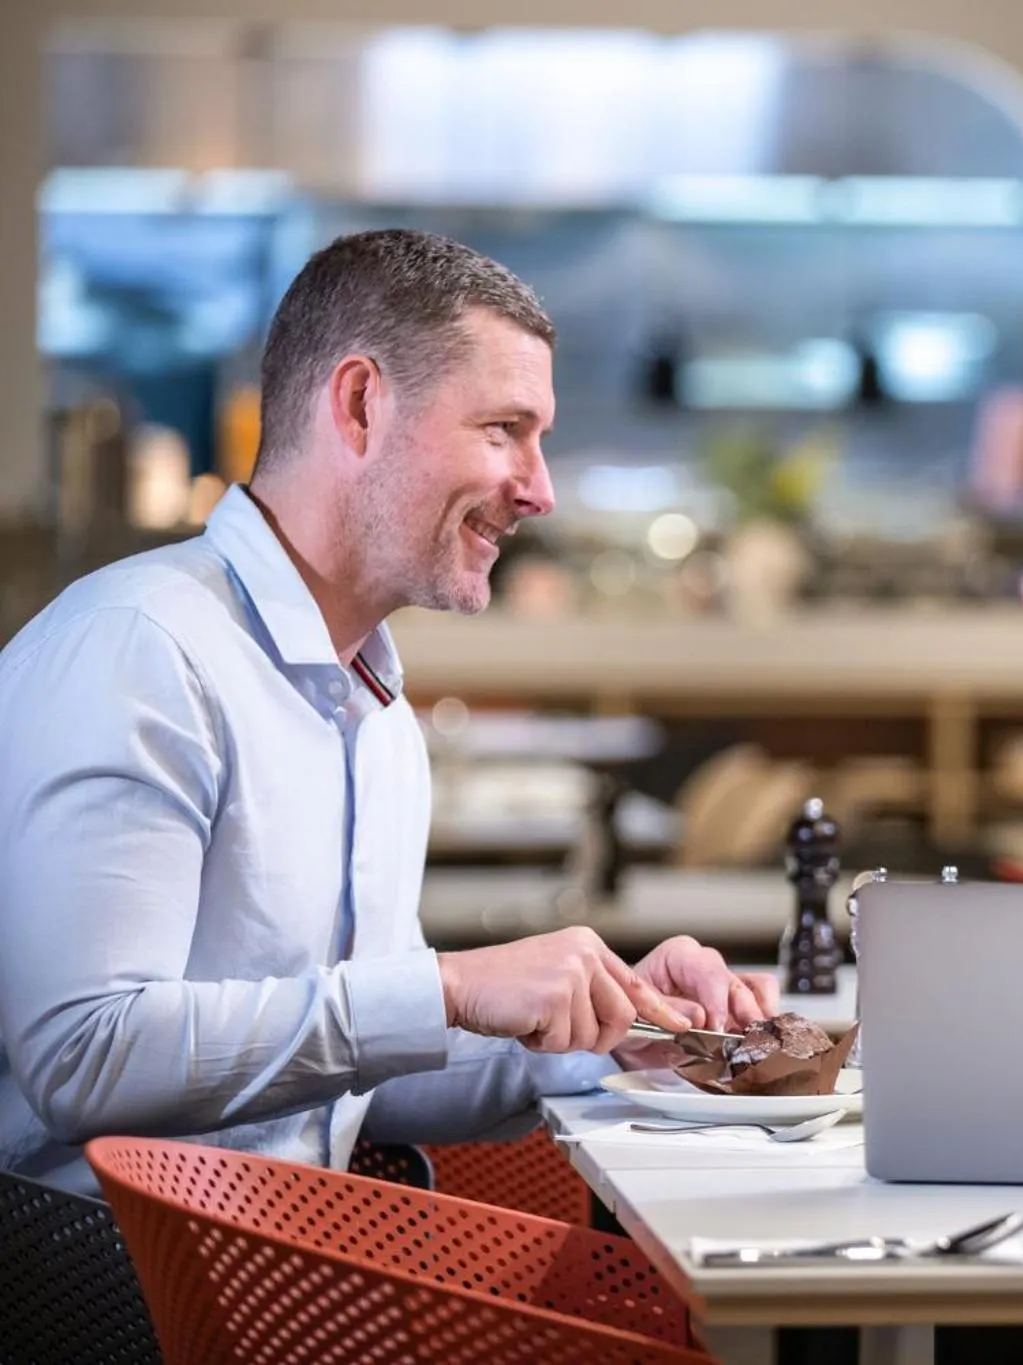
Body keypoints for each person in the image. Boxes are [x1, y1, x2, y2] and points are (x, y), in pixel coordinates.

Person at [0, 229, 774, 1196]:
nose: (540, 489)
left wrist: (617, 1032)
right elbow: (85, 1055)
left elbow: (347, 1078)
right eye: (504, 430)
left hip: (287, 1268)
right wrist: (448, 987)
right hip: (108, 1300)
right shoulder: (140, 649)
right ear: (362, 405)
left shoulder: (375, 710)